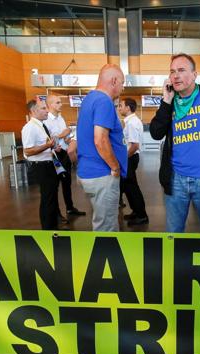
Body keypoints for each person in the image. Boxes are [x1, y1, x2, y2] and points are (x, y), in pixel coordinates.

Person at [149, 53, 200, 233]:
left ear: (194, 74)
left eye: (181, 70)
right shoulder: (170, 101)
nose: (175, 75)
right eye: (172, 72)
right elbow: (156, 132)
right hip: (176, 180)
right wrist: (166, 101)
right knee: (173, 234)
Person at [76, 64, 128, 231]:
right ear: (113, 81)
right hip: (102, 174)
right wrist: (115, 166)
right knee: (106, 228)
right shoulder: (104, 101)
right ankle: (107, 256)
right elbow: (100, 139)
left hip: (88, 171)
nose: (122, 87)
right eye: (122, 82)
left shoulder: (89, 99)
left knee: (100, 221)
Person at [44, 95, 86, 220]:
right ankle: (56, 214)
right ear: (50, 105)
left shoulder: (60, 118)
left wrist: (67, 137)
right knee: (55, 186)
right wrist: (63, 134)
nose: (61, 104)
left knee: (67, 183)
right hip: (54, 155)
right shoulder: (46, 121)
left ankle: (70, 207)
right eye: (57, 102)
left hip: (64, 153)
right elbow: (51, 139)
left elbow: (65, 135)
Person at [21, 99, 60, 230]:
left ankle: (54, 225)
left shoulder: (42, 125)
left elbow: (44, 146)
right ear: (33, 111)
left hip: (49, 164)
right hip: (41, 167)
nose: (47, 111)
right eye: (43, 108)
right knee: (47, 199)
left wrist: (52, 147)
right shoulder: (29, 127)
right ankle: (48, 229)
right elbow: (28, 151)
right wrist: (47, 146)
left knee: (52, 196)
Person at [117, 97, 149, 225]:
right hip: (129, 158)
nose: (119, 108)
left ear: (128, 108)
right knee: (129, 187)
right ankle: (136, 212)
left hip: (130, 158)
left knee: (132, 188)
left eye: (121, 106)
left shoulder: (132, 123)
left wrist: (123, 160)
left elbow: (134, 145)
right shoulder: (131, 121)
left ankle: (142, 216)